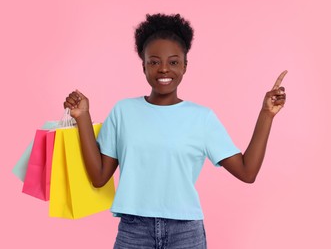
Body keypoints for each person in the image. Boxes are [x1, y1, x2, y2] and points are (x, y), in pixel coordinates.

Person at [63, 13, 287, 249]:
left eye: (173, 61)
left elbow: (247, 171)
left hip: (186, 233)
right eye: (154, 61)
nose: (163, 69)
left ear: (184, 66)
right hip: (134, 231)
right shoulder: (123, 111)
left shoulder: (202, 118)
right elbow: (98, 177)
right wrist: (82, 117)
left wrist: (266, 114)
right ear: (144, 66)